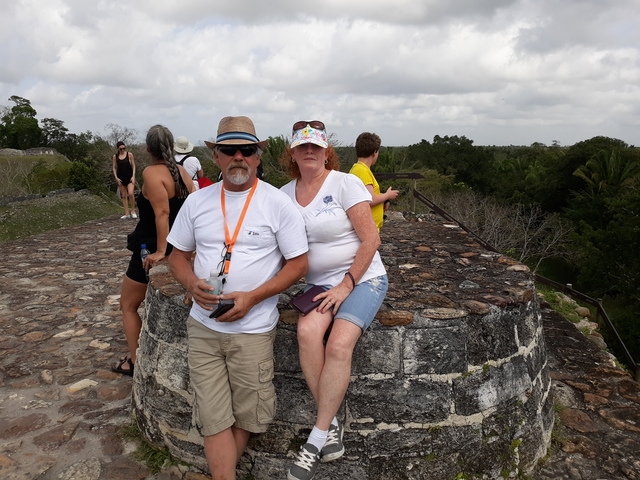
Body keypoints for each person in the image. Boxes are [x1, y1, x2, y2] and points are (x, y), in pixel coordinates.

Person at [167, 116, 308, 480]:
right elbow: (177, 256)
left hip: (253, 329)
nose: (239, 157)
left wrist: (253, 296)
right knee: (213, 420)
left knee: (247, 416)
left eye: (247, 150)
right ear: (215, 155)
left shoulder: (278, 204)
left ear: (259, 155)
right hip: (204, 327)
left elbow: (298, 265)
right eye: (229, 150)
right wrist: (190, 284)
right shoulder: (197, 202)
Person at [280, 121, 388, 480]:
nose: (309, 152)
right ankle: (333, 421)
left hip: (363, 278)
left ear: (327, 152)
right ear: (292, 153)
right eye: (302, 147)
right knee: (308, 333)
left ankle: (316, 436)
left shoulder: (345, 183)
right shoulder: (283, 194)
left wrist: (346, 284)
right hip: (319, 284)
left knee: (340, 345)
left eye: (316, 147)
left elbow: (370, 239)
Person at [111, 125, 195, 376]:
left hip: (151, 244)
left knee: (128, 305)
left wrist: (161, 251)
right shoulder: (182, 172)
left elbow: (162, 213)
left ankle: (136, 362)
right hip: (181, 245)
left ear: (147, 149)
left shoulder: (151, 173)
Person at [349, 132, 399, 231]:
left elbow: (364, 196)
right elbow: (370, 199)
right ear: (374, 152)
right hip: (369, 228)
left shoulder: (357, 169)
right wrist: (387, 195)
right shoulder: (362, 171)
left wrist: (383, 200)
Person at [112, 141, 138, 219]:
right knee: (123, 195)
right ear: (118, 149)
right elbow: (114, 167)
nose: (123, 150)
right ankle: (126, 213)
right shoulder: (115, 157)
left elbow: (133, 166)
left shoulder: (129, 155)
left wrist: (133, 176)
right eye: (121, 149)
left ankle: (133, 210)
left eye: (124, 148)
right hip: (121, 178)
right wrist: (116, 178)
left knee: (130, 193)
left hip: (129, 177)